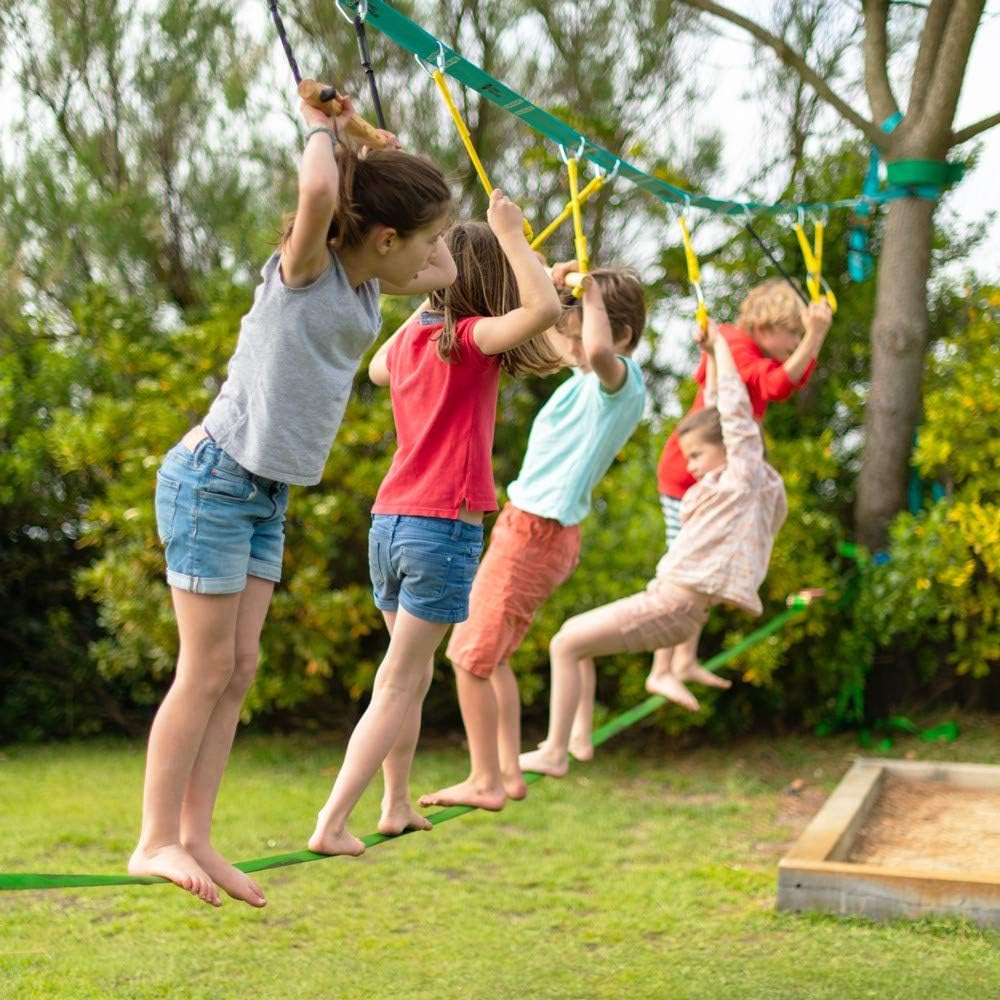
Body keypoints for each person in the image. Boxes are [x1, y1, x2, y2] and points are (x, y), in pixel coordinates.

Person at [128, 93, 456, 907]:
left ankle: (197, 837)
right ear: (384, 239)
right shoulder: (305, 272)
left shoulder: (368, 290)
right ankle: (154, 841)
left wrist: (379, 156)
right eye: (420, 237)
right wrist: (326, 127)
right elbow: (317, 195)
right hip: (213, 479)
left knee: (238, 670)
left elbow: (445, 270)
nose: (435, 254)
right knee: (204, 669)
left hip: (264, 494)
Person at [307, 189, 562, 857]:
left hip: (388, 525)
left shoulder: (419, 342)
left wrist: (429, 297)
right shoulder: (471, 340)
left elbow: (378, 365)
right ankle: (333, 821)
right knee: (400, 680)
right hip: (440, 529)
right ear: (488, 285)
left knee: (410, 677)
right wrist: (511, 234)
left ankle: (394, 805)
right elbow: (541, 311)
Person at [418, 263, 646, 811]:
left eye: (580, 331)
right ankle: (505, 774)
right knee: (488, 658)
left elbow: (593, 350)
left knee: (469, 658)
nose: (569, 344)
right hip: (525, 528)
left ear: (623, 337)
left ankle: (484, 781)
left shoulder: (617, 385)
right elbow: (546, 327)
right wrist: (549, 276)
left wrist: (589, 298)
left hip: (537, 533)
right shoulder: (582, 382)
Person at [519, 318, 788, 777]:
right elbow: (724, 407)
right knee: (575, 642)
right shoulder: (754, 486)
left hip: (672, 605)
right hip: (676, 607)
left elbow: (736, 413)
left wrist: (721, 344)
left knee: (565, 644)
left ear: (730, 449)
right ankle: (576, 740)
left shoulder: (741, 479)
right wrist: (710, 353)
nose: (694, 468)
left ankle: (554, 751)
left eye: (699, 457)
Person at [649, 281, 833, 707]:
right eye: (794, 335)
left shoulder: (738, 346)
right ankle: (661, 669)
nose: (795, 346)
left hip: (714, 479)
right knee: (684, 571)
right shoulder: (733, 340)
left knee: (705, 569)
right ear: (772, 324)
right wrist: (817, 335)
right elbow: (774, 386)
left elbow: (789, 378)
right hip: (690, 475)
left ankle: (683, 661)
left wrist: (811, 338)